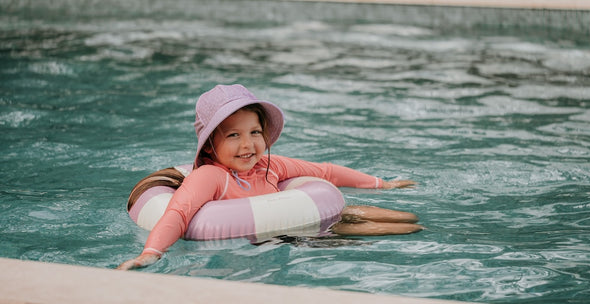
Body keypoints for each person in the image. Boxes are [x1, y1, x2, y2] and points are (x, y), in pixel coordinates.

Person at [118, 84, 422, 270]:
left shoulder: (270, 166)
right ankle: (421, 234)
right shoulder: (211, 176)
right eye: (234, 135)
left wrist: (383, 184)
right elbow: (179, 212)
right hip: (277, 244)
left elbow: (326, 172)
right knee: (371, 232)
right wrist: (151, 253)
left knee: (367, 215)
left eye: (255, 132)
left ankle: (428, 226)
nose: (248, 145)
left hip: (300, 227)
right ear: (210, 143)